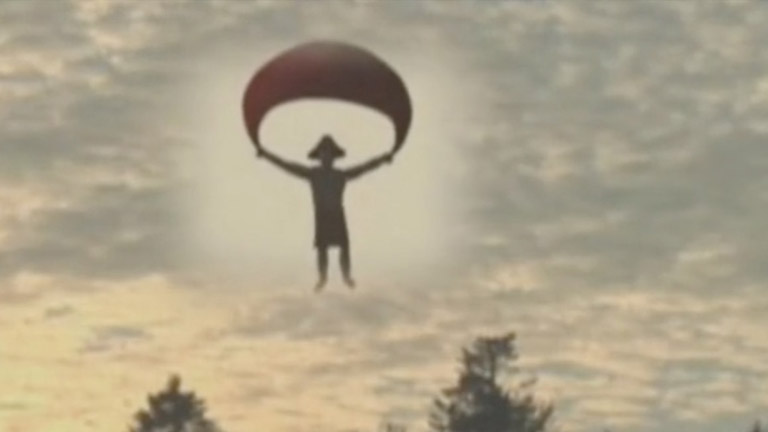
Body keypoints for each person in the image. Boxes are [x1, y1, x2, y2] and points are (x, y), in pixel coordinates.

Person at [256, 134, 394, 291]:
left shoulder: (340, 175)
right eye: (323, 153)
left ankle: (346, 276)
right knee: (322, 249)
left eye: (329, 153)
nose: (326, 156)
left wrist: (382, 159)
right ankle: (322, 277)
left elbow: (364, 168)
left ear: (334, 157)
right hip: (322, 215)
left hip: (337, 214)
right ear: (319, 156)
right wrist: (266, 155)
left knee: (344, 246)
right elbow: (288, 166)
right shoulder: (313, 174)